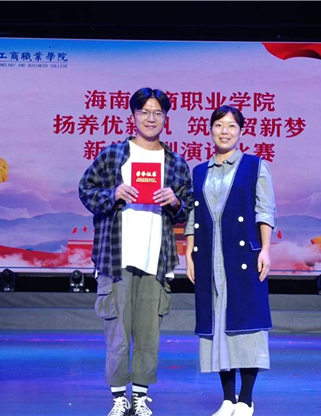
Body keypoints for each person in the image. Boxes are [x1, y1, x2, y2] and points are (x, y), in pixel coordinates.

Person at [79, 87, 193, 416]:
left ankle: (141, 396)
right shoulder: (114, 155)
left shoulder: (175, 162)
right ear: (133, 116)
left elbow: (188, 209)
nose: (150, 118)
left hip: (155, 259)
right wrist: (113, 193)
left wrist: (176, 202)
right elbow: (85, 190)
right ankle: (119, 398)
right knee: (117, 333)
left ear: (166, 118)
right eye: (144, 111)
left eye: (157, 112)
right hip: (116, 258)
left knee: (148, 334)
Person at [185, 105, 277, 416]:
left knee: (246, 323)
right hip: (210, 257)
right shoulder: (200, 171)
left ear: (241, 132)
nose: (224, 131)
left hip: (243, 258)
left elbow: (265, 210)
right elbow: (193, 216)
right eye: (219, 125)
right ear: (210, 129)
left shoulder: (255, 166)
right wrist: (189, 253)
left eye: (231, 126)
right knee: (218, 323)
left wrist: (265, 249)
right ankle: (227, 399)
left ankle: (246, 399)